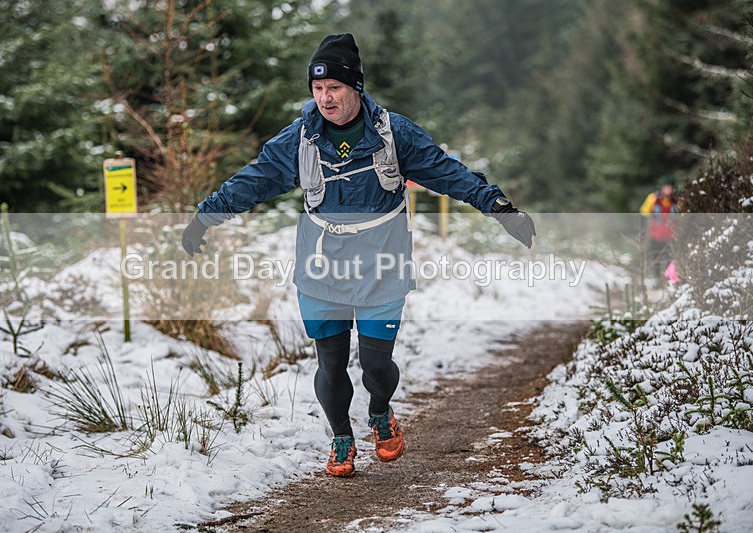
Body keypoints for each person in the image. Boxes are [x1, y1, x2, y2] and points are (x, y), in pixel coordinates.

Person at [181, 33, 536, 478]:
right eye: (317, 89)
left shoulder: (394, 134)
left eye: (334, 88)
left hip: (382, 265)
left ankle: (381, 412)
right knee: (329, 362)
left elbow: (449, 173)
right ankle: (340, 438)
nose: (325, 99)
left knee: (375, 365)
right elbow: (254, 179)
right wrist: (205, 218)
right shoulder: (301, 138)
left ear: (356, 88)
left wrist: (498, 207)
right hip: (322, 263)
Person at [639, 177, 678, 280]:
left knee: (670, 258)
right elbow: (643, 214)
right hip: (655, 235)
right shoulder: (653, 198)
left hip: (670, 236)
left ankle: (668, 280)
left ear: (673, 189)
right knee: (655, 258)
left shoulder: (677, 202)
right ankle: (657, 279)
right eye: (665, 187)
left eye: (669, 188)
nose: (667, 190)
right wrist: (642, 232)